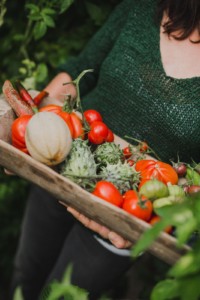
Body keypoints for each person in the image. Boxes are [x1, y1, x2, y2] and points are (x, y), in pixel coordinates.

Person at [9, 0, 200, 299]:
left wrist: (161, 223)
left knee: (59, 296)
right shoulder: (141, 8)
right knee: (25, 276)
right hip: (63, 161)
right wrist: (36, 128)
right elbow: (79, 71)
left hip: (124, 215)